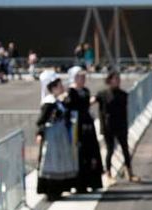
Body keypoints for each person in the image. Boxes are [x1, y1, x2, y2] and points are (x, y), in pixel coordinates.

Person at [36, 71, 78, 201]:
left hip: (59, 135)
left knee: (60, 162)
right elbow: (41, 121)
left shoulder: (57, 101)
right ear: (53, 88)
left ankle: (58, 190)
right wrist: (40, 133)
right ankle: (51, 191)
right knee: (52, 162)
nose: (62, 88)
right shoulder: (49, 103)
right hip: (53, 135)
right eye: (59, 85)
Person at [96, 68, 139, 183]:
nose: (118, 81)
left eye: (118, 79)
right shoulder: (102, 94)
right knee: (110, 150)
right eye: (115, 79)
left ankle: (129, 173)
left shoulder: (123, 94)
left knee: (125, 149)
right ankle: (108, 174)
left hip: (121, 125)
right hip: (108, 126)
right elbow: (92, 101)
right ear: (109, 81)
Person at [65, 66, 104, 191]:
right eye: (79, 76)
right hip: (77, 124)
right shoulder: (71, 92)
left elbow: (86, 105)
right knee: (80, 152)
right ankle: (80, 184)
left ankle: (93, 182)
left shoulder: (86, 91)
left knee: (91, 150)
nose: (82, 79)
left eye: (83, 76)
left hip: (87, 122)